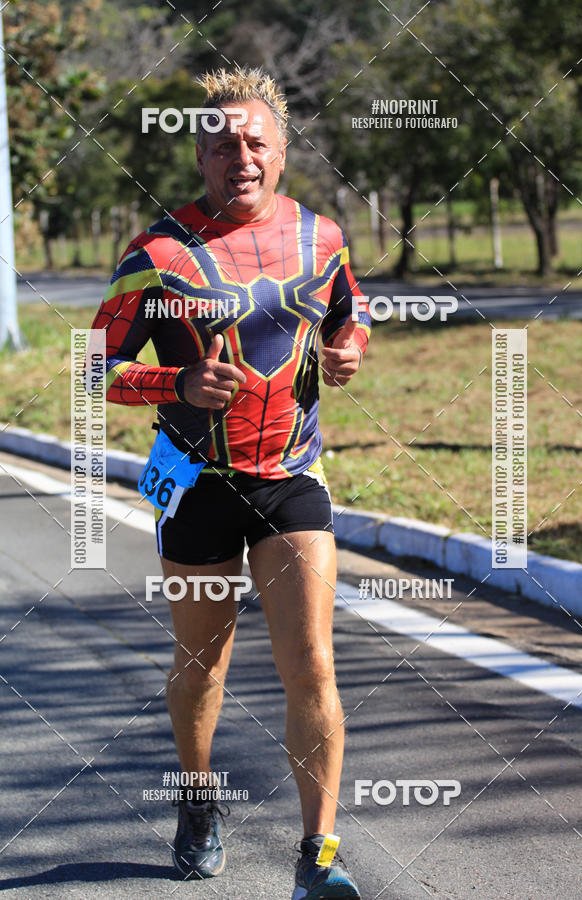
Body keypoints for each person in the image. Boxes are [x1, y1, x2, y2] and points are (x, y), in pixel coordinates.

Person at [92, 66, 370, 899]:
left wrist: (352, 351)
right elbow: (93, 368)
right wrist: (173, 385)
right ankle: (198, 800)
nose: (238, 156)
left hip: (290, 476)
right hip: (199, 482)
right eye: (221, 144)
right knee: (201, 664)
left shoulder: (322, 237)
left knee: (312, 662)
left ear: (281, 152)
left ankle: (318, 856)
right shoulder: (158, 252)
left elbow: (347, 316)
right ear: (201, 158)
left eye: (255, 141)